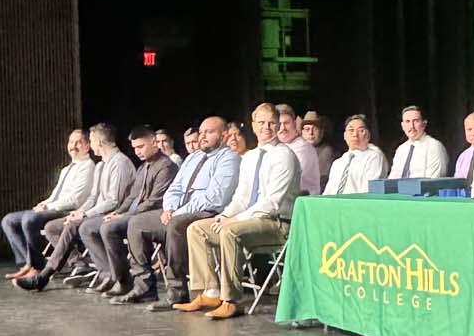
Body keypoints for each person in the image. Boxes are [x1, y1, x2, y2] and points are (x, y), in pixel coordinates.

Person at [176, 102, 300, 321]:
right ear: (253, 126)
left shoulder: (284, 155)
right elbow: (241, 196)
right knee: (197, 229)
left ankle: (232, 300)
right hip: (249, 220)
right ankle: (210, 292)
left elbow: (272, 202)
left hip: (277, 223)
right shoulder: (250, 157)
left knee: (230, 231)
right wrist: (225, 215)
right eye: (261, 123)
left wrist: (233, 220)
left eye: (272, 123)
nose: (267, 127)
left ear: (278, 125)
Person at [113, 115, 240, 306]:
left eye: (209, 132)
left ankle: (177, 291)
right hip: (177, 211)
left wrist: (177, 212)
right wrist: (170, 207)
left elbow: (215, 197)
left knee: (175, 224)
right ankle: (144, 286)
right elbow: (175, 188)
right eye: (202, 132)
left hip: (207, 213)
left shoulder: (229, 158)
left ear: (223, 135)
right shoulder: (193, 157)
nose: (202, 136)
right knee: (137, 223)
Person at [16, 123, 136, 291]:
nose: (91, 146)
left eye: (92, 141)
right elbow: (94, 196)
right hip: (97, 212)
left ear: (99, 142)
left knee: (78, 225)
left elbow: (114, 201)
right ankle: (81, 265)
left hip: (113, 214)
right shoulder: (102, 165)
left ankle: (45, 275)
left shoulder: (120, 163)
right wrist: (80, 212)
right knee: (52, 227)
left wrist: (85, 215)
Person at [82, 127, 175, 296]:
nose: (137, 152)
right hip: (132, 214)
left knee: (109, 228)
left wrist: (125, 215)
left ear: (154, 143)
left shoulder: (166, 166)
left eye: (141, 147)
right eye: (134, 148)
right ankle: (111, 274)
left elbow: (154, 201)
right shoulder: (143, 167)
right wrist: (118, 212)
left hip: (152, 216)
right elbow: (132, 197)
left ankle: (124, 280)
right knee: (89, 227)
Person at [0, 129, 95, 280]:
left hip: (69, 211)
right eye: (71, 142)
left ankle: (38, 267)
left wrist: (48, 207)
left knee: (30, 220)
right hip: (54, 208)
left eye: (78, 142)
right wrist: (43, 204)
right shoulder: (66, 169)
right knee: (8, 220)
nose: (73, 146)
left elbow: (76, 200)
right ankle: (27, 264)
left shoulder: (88, 167)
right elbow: (55, 195)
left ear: (87, 146)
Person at [322, 114, 388, 195]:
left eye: (361, 130)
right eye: (351, 130)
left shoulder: (374, 157)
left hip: (357, 205)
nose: (355, 135)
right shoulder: (338, 163)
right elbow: (328, 192)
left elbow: (368, 191)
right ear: (345, 135)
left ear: (368, 135)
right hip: (334, 205)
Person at [388, 105, 449, 179]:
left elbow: (434, 181)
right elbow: (392, 179)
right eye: (407, 121)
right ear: (402, 126)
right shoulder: (401, 149)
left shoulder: (434, 146)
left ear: (424, 124)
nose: (411, 126)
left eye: (416, 121)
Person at [275, 104, 321, 195]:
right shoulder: (279, 147)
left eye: (286, 123)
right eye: (279, 124)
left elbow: (289, 180)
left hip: (303, 203)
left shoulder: (303, 148)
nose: (282, 128)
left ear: (295, 123)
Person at [300, 111, 335, 181]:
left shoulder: (327, 151)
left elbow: (320, 180)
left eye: (315, 129)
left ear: (321, 132)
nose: (311, 133)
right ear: (302, 132)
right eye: (307, 129)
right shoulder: (300, 149)